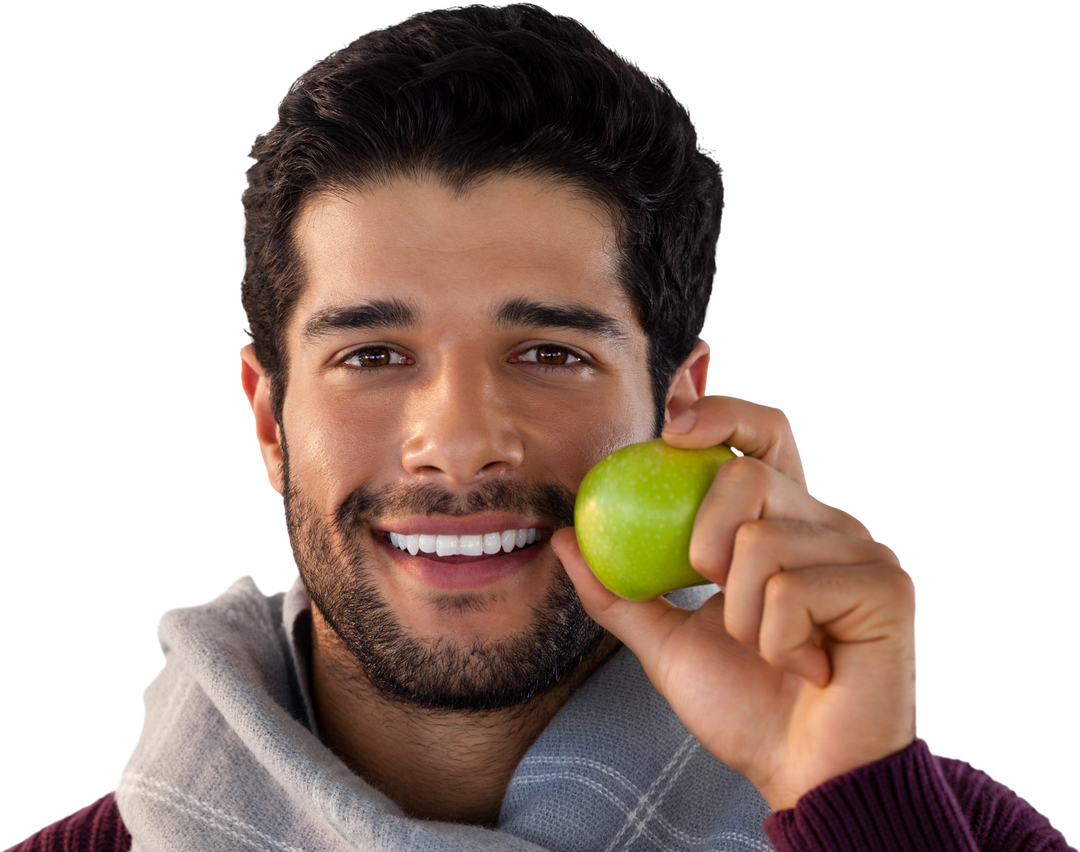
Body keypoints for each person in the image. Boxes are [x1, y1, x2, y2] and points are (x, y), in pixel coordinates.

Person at [10, 3, 1073, 850]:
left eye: (550, 354)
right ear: (269, 419)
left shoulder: (940, 833)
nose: (461, 439)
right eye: (372, 355)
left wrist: (848, 799)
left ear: (678, 408)